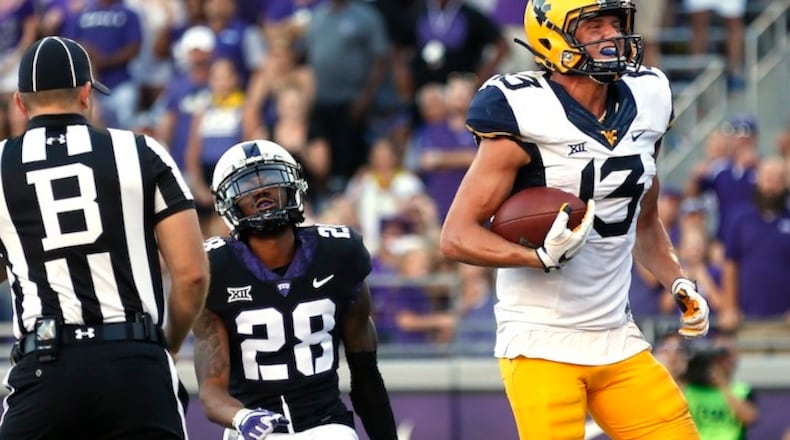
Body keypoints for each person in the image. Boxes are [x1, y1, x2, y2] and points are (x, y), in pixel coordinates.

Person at [439, 1, 710, 438]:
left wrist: (677, 280)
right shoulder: (523, 108)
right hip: (540, 340)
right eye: (594, 25)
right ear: (554, 37)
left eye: (616, 23)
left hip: (616, 335)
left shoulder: (650, 96)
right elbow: (455, 237)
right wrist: (538, 258)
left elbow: (642, 219)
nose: (611, 36)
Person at [0, 36, 209, 439]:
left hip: (46, 364)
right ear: (85, 94)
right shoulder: (140, 151)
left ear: (21, 104)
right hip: (133, 359)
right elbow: (192, 274)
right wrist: (167, 344)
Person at [192, 139, 397, 440]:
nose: (261, 190)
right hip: (254, 425)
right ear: (229, 202)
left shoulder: (339, 254)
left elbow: (365, 374)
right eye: (247, 183)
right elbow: (211, 393)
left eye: (271, 178)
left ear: (293, 185)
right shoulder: (214, 269)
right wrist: (242, 417)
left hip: (326, 423)